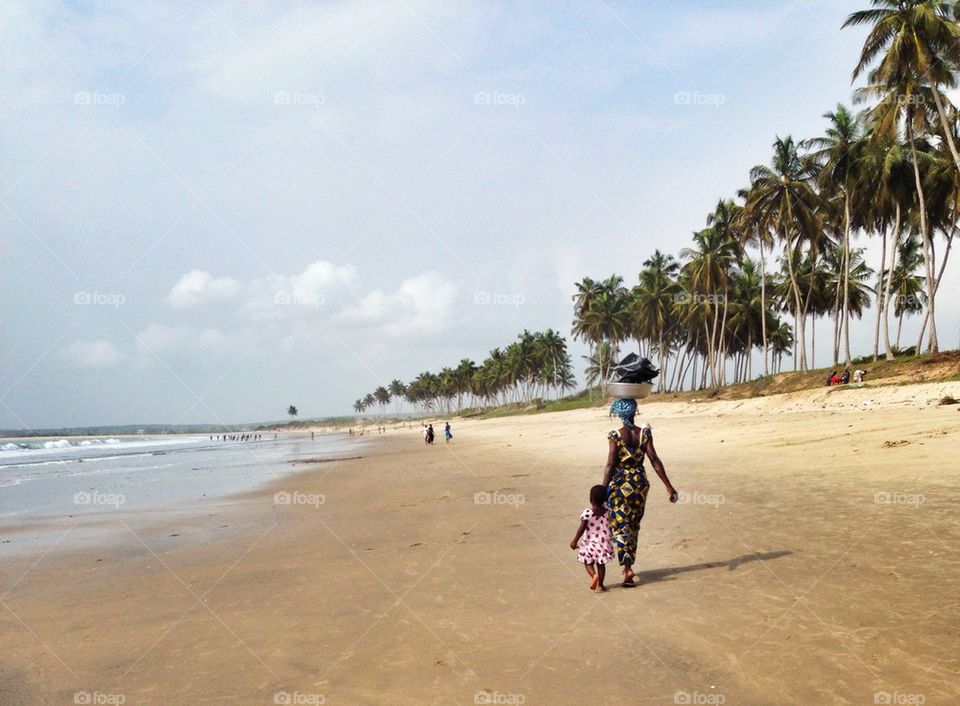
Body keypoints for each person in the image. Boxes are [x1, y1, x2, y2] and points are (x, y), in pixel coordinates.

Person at [603, 398, 678, 587]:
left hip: (621, 486)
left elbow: (611, 464)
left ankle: (627, 568)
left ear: (619, 414)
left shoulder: (615, 436)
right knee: (634, 525)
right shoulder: (644, 433)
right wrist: (669, 486)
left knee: (621, 526)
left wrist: (603, 489)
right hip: (640, 484)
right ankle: (628, 566)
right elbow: (654, 460)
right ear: (634, 412)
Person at [570, 484, 614, 592]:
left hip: (590, 543)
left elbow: (581, 528)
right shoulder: (608, 511)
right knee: (601, 564)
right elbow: (612, 524)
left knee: (588, 562)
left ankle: (594, 576)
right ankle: (601, 585)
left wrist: (575, 540)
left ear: (591, 499)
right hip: (604, 542)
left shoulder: (587, 513)